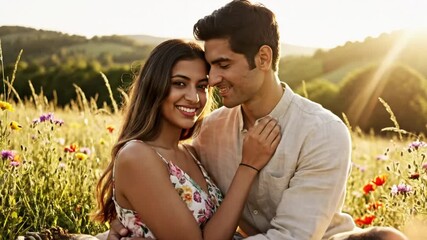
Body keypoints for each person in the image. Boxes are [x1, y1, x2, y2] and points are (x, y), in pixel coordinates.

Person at [108, 0, 408, 239]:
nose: (211, 81)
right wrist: (126, 223)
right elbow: (160, 188)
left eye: (222, 65)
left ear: (263, 59)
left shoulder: (322, 132)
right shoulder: (210, 129)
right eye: (209, 68)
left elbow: (293, 236)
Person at [93, 39, 281, 239]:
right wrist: (248, 167)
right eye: (179, 83)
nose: (194, 97)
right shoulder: (137, 156)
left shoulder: (192, 153)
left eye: (201, 86)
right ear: (154, 86)